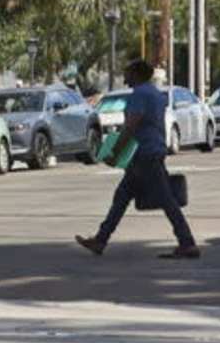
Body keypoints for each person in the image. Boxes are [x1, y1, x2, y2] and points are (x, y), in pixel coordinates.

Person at [76, 56, 200, 259]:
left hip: (144, 155)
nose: (125, 77)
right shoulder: (155, 94)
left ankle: (187, 243)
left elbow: (131, 126)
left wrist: (115, 153)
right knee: (122, 198)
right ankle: (100, 240)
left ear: (137, 74)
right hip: (151, 152)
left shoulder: (139, 95)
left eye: (128, 73)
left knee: (166, 200)